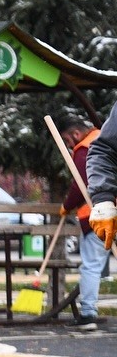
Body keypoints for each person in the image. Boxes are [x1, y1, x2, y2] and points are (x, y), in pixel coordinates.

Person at [69, 116, 111, 330]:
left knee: (92, 265)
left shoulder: (86, 149)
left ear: (76, 134)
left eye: (69, 139)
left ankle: (88, 313)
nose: (69, 144)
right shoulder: (107, 138)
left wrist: (67, 206)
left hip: (97, 215)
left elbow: (80, 186)